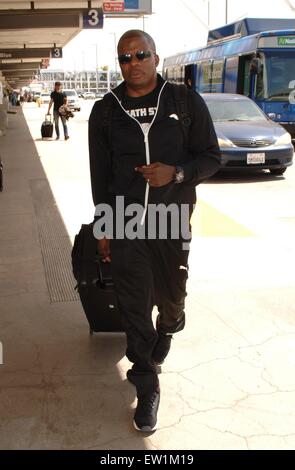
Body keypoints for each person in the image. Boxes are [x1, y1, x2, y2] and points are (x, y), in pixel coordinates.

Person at [88, 30, 221, 432]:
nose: (134, 63)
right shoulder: (106, 111)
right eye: (125, 58)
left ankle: (171, 323)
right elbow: (100, 176)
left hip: (172, 219)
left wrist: (176, 173)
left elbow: (211, 158)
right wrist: (103, 226)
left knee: (172, 296)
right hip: (126, 222)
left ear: (156, 58)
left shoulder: (183, 101)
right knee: (133, 308)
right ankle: (146, 384)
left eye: (141, 54)